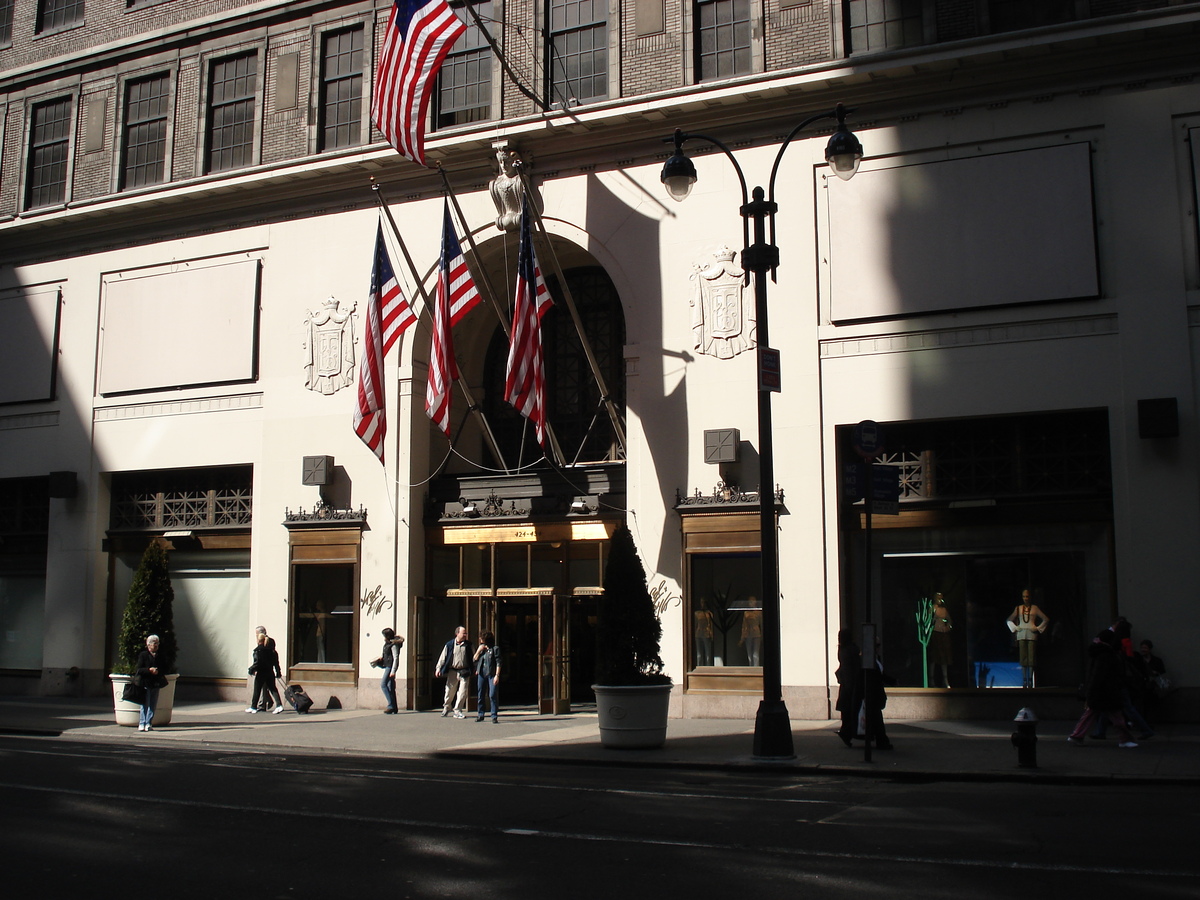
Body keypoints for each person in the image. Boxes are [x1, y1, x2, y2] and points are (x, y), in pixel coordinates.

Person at [1067, 631, 1138, 747]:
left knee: (1090, 715)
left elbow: (1095, 675)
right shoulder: (1108, 655)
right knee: (1117, 718)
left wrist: (1090, 692)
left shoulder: (1098, 655)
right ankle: (1124, 739)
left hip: (1099, 691)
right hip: (1109, 691)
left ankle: (1076, 735)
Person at [1006, 589, 1049, 688]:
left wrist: (1038, 628)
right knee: (1023, 658)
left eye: (1027, 596)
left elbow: (1045, 619)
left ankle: (1030, 679)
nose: (1026, 598)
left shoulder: (1035, 608)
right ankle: (1024, 679)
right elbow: (1009, 620)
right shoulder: (1018, 608)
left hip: (1031, 634)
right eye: (1024, 596)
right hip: (1021, 635)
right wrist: (1016, 628)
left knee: (1031, 658)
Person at [435, 626, 472, 718]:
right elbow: (443, 657)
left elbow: (473, 657)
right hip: (453, 671)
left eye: (465, 633)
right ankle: (447, 707)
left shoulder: (469, 645)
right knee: (449, 690)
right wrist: (438, 668)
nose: (465, 635)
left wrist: (475, 668)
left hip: (464, 671)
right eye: (463, 633)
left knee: (463, 691)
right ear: (457, 634)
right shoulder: (450, 645)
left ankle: (457, 710)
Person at [135, 634, 166, 732]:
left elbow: (165, 667)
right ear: (148, 645)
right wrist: (149, 670)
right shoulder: (143, 655)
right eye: (154, 643)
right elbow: (139, 669)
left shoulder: (160, 656)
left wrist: (158, 671)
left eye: (157, 643)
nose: (156, 645)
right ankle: (142, 722)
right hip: (145, 683)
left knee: (153, 704)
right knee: (144, 703)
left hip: (155, 683)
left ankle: (149, 723)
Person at [834, 630, 860, 747]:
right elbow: (853, 668)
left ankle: (846, 732)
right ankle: (847, 733)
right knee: (852, 712)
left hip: (845, 685)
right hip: (851, 685)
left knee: (847, 713)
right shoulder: (851, 650)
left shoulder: (842, 650)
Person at [247, 631, 283, 714]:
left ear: (258, 641)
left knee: (257, 690)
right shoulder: (272, 651)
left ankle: (253, 707)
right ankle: (279, 705)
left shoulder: (258, 651)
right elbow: (276, 663)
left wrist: (251, 669)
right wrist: (278, 672)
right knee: (273, 689)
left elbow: (257, 662)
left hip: (261, 673)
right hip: (270, 672)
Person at [473, 631, 502, 723]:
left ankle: (494, 715)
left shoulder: (495, 649)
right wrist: (478, 651)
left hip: (491, 673)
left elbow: (498, 662)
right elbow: (474, 659)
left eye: (481, 638)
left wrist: (497, 675)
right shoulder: (482, 649)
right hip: (481, 673)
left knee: (492, 694)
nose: (480, 640)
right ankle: (480, 714)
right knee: (480, 694)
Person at [376, 627, 404, 714]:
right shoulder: (388, 643)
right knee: (390, 687)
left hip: (390, 667)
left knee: (383, 684)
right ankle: (394, 707)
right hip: (387, 664)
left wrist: (393, 671)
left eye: (384, 635)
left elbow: (396, 658)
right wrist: (382, 658)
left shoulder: (394, 644)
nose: (384, 637)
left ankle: (390, 705)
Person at [929, 593, 953, 688]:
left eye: (941, 598)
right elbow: (929, 620)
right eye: (938, 598)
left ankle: (945, 680)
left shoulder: (944, 610)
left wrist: (947, 627)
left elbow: (950, 621)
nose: (939, 599)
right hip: (935, 633)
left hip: (943, 634)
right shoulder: (932, 608)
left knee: (944, 658)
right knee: (934, 657)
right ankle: (931, 680)